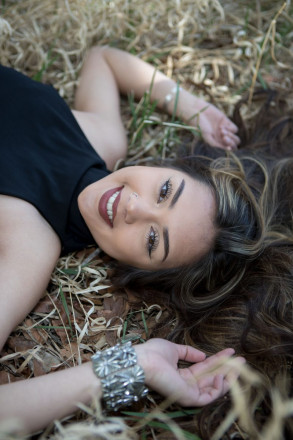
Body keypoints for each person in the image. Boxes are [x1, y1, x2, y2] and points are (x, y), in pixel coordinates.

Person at [0, 46, 243, 434]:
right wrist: (194, 108)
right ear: (164, 166)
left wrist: (135, 366)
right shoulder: (103, 137)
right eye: (164, 190)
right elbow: (104, 59)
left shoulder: (31, 246)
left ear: (136, 269)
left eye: (151, 240)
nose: (134, 207)